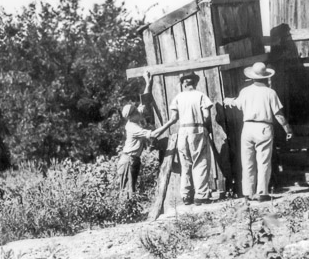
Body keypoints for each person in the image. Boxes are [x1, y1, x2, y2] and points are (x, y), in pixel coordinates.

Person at [225, 62, 293, 202]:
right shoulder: (270, 92)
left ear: (252, 77)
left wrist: (228, 100)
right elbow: (278, 114)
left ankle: (248, 193)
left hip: (248, 127)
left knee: (247, 161)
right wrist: (287, 129)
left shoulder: (245, 91)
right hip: (263, 127)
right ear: (266, 77)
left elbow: (236, 103)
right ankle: (262, 192)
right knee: (263, 161)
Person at [158, 72, 214, 206]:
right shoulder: (200, 96)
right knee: (200, 161)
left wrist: (161, 129)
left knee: (186, 164)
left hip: (182, 131)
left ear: (184, 83)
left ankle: (186, 195)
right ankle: (200, 195)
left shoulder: (178, 97)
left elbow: (173, 118)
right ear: (195, 83)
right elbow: (206, 116)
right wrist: (207, 127)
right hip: (197, 129)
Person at [118, 71, 170, 198]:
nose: (139, 111)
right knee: (128, 189)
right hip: (129, 160)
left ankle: (127, 212)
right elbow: (153, 134)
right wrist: (171, 122)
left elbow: (145, 102)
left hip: (131, 158)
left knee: (130, 187)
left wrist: (148, 82)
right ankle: (125, 214)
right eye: (136, 111)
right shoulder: (133, 127)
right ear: (132, 116)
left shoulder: (135, 117)